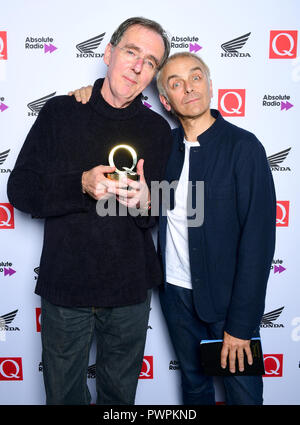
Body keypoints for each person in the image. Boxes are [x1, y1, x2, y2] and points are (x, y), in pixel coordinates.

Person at [71, 51, 276, 405]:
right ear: (165, 100)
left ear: (210, 86)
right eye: (176, 84)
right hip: (176, 295)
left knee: (243, 393)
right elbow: (117, 132)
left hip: (228, 299)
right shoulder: (166, 147)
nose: (189, 89)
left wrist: (240, 326)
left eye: (196, 78)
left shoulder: (244, 148)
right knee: (194, 386)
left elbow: (258, 243)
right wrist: (89, 95)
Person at [7, 17, 172, 405]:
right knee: (64, 398)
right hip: (66, 289)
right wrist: (79, 184)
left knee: (119, 399)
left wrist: (147, 201)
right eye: (132, 52)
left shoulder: (157, 131)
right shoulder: (62, 112)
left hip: (130, 292)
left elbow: (159, 209)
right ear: (108, 52)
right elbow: (20, 189)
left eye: (150, 62)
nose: (137, 66)